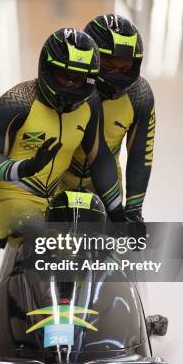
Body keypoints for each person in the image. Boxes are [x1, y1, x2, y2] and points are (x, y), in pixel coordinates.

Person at [0, 28, 124, 248]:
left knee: (94, 238)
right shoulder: (16, 103)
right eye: (65, 76)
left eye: (79, 78)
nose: (72, 84)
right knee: (54, 243)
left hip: (53, 206)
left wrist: (117, 212)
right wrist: (25, 167)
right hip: (7, 200)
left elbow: (99, 158)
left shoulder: (91, 104)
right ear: (47, 70)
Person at [61, 14, 155, 222]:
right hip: (55, 184)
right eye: (108, 67)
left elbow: (140, 154)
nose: (116, 76)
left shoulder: (140, 95)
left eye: (124, 69)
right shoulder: (62, 83)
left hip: (107, 191)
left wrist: (133, 210)